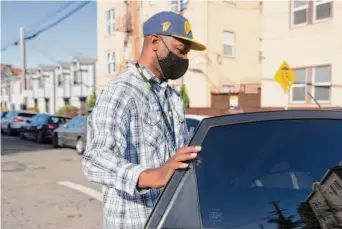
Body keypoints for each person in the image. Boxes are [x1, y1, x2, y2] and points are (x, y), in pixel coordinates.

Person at [81, 11, 206, 229]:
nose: (185, 58)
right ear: (155, 42)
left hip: (172, 219)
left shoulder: (173, 98)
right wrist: (151, 175)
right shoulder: (122, 91)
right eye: (180, 50)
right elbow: (95, 159)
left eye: (187, 53)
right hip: (136, 223)